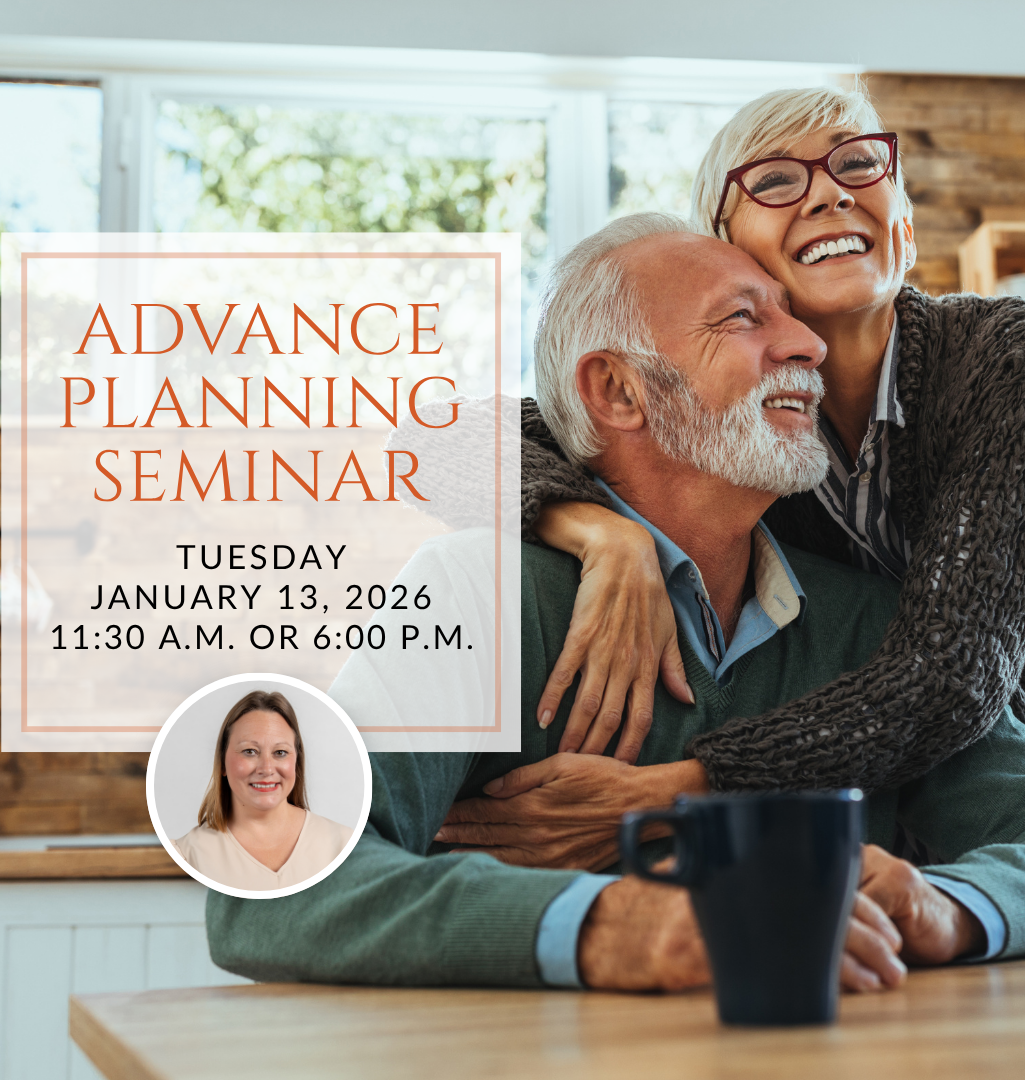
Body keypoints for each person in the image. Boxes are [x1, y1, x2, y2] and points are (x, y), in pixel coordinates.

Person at [206, 218, 1025, 993]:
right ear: (619, 391)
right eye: (743, 318)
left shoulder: (876, 621)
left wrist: (949, 904)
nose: (808, 343)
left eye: (794, 316)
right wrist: (612, 925)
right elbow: (267, 878)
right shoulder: (479, 592)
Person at [500, 85, 1025, 802]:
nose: (831, 195)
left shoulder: (1003, 360)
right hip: (869, 794)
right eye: (777, 180)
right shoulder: (729, 429)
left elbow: (954, 671)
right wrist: (600, 534)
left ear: (903, 222)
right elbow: (443, 443)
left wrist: (685, 792)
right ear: (722, 248)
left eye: (861, 165)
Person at [173, 690, 352, 892]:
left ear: (296, 763)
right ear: (222, 763)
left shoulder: (346, 845)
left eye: (280, 753)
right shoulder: (185, 855)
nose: (266, 769)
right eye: (250, 752)